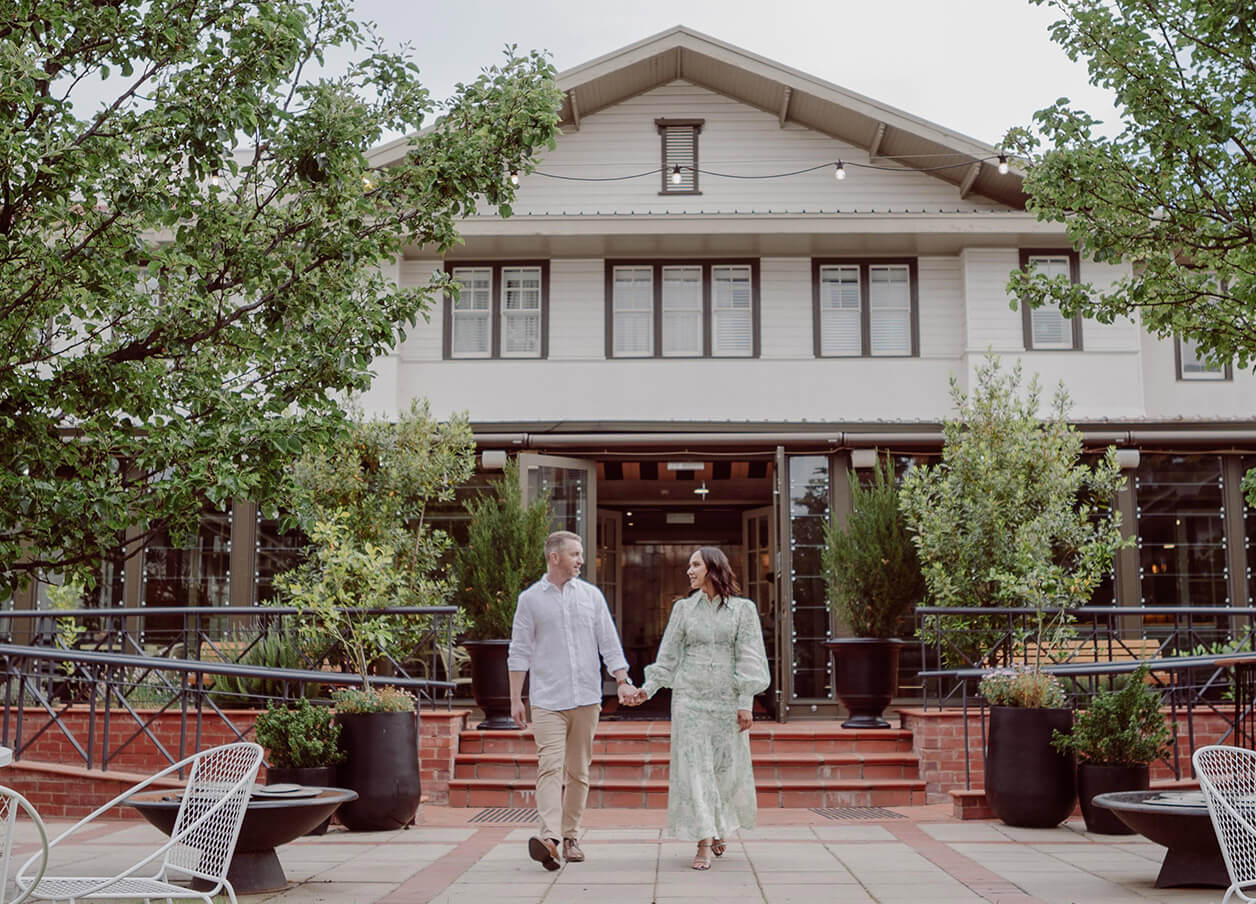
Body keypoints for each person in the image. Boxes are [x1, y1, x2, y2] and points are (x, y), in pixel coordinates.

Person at [625, 546, 770, 870]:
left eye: (695, 565)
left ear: (712, 569)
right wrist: (647, 689)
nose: (689, 571)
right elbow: (668, 657)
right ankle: (704, 839)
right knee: (695, 770)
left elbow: (750, 656)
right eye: (689, 565)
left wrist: (745, 702)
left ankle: (718, 826)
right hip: (689, 701)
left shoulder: (743, 610)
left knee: (723, 771)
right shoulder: (683, 609)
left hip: (726, 702)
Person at [508, 530, 636, 871]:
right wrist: (516, 699)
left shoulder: (591, 596)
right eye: (575, 554)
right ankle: (549, 838)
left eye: (580, 554)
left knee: (578, 771)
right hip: (547, 700)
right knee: (549, 766)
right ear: (555, 557)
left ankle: (570, 837)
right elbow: (519, 651)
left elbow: (608, 641)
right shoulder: (530, 600)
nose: (581, 560)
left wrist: (622, 680)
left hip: (586, 698)